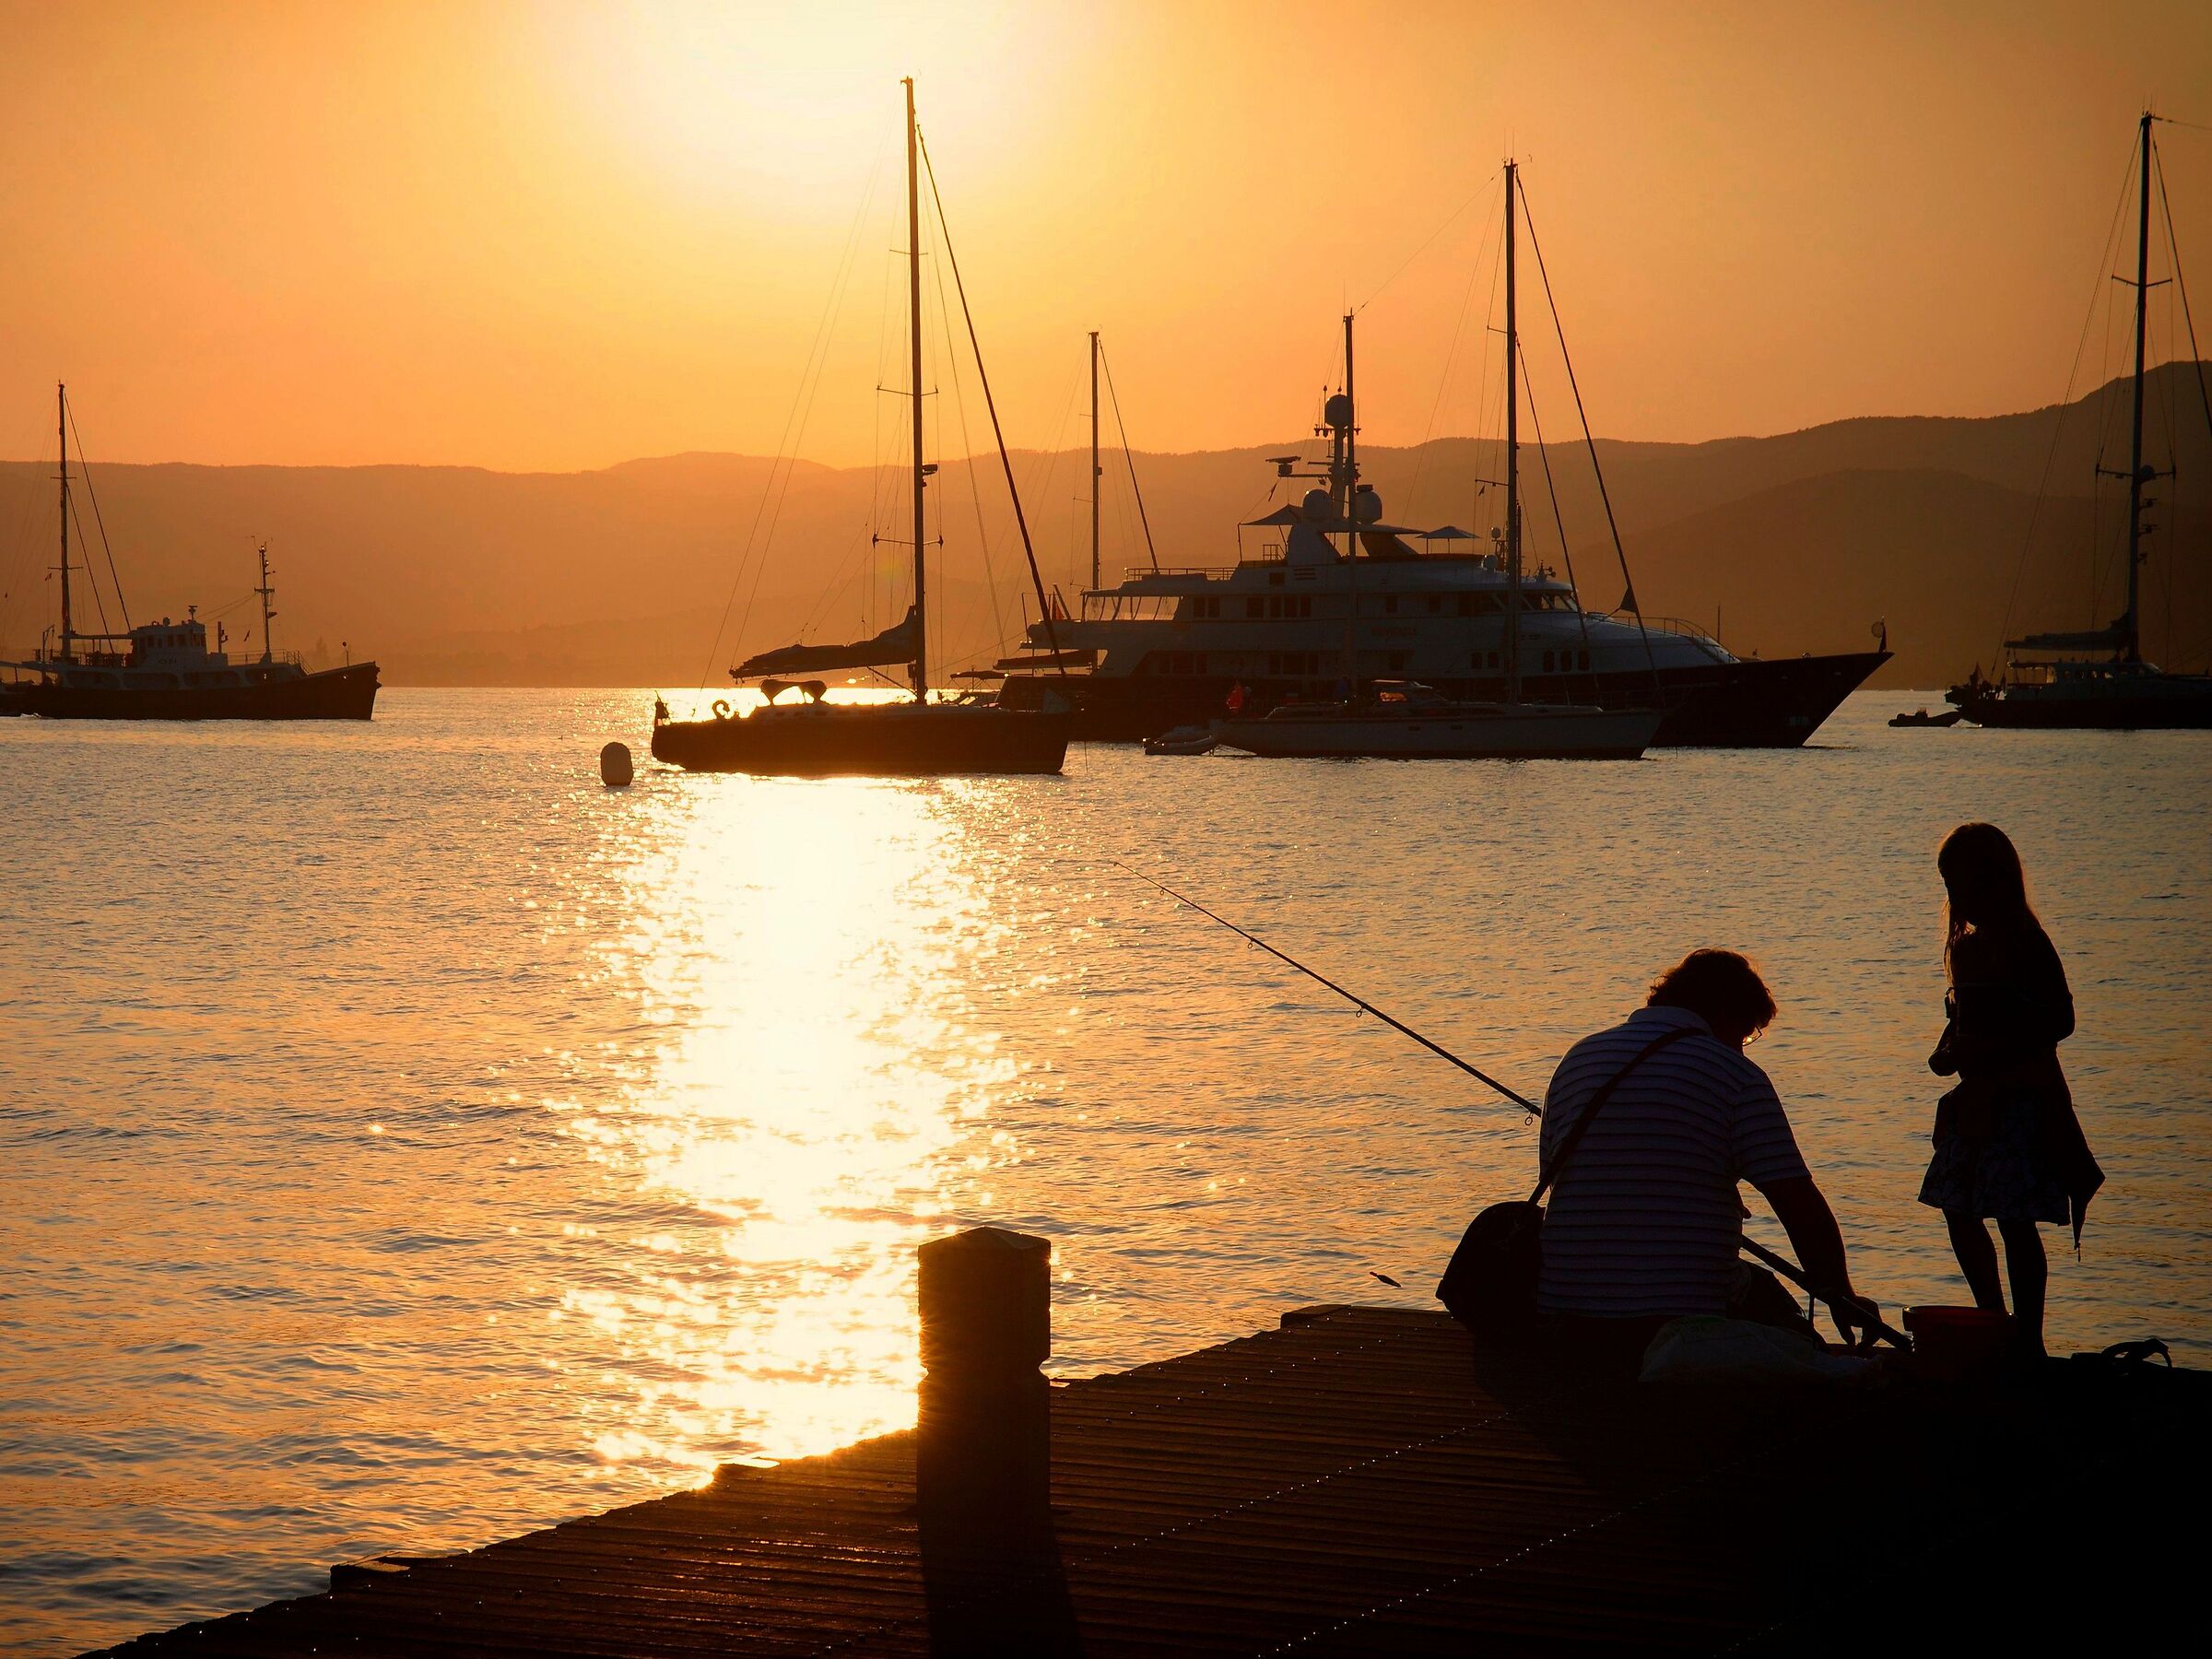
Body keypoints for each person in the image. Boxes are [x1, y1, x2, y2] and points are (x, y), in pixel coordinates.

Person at [1538, 949, 1872, 1371]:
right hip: (1677, 1322)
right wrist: (1841, 1296)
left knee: (1756, 1283)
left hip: (1565, 1315)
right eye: (1746, 1035)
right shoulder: (1734, 1075)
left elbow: (1561, 1178)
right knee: (1786, 1322)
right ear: (1725, 1013)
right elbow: (1799, 1207)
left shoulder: (1580, 1058)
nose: (1743, 1050)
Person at [1918, 823, 2100, 1359]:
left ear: (1991, 880)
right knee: (1957, 1207)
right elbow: (1967, 1020)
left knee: (2014, 1221)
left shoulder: (2026, 942)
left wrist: (1995, 1047)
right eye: (1947, 884)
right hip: (1976, 1101)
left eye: (1959, 882)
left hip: (2021, 1100)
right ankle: (1992, 1320)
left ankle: (2027, 1339)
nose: (1954, 895)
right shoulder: (1967, 949)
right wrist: (1949, 1049)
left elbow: (2061, 1020)